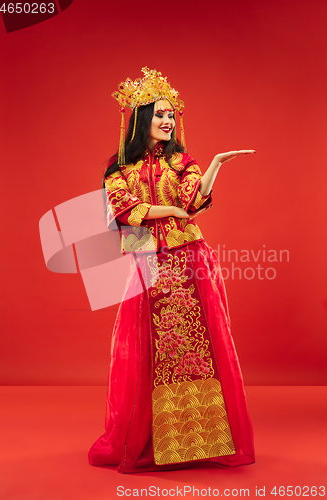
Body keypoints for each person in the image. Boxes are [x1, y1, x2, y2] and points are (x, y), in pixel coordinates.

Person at [88, 67, 255, 474]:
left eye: (170, 114)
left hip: (190, 259)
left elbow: (193, 202)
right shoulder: (119, 169)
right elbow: (127, 210)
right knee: (150, 350)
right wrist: (170, 210)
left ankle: (198, 440)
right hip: (149, 263)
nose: (167, 121)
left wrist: (215, 164)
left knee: (199, 348)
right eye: (159, 114)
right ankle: (152, 441)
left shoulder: (182, 161)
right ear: (142, 119)